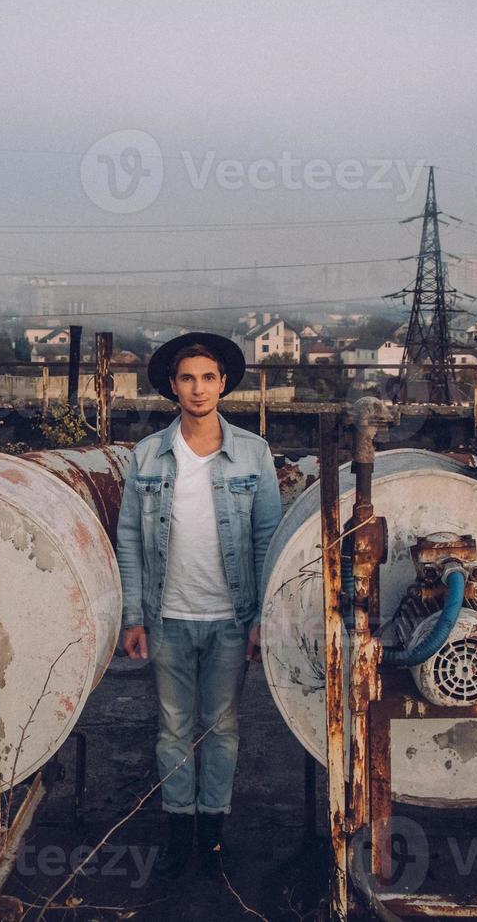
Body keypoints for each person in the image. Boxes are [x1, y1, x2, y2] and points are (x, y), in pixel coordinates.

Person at [115, 332, 282, 879]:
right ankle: (178, 831)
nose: (198, 388)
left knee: (223, 727)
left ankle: (212, 833)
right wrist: (134, 616)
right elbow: (131, 542)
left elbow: (268, 541)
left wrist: (262, 618)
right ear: (172, 386)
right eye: (188, 378)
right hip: (168, 618)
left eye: (208, 377)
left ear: (223, 383)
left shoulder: (253, 453)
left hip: (231, 619)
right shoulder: (147, 456)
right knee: (172, 727)